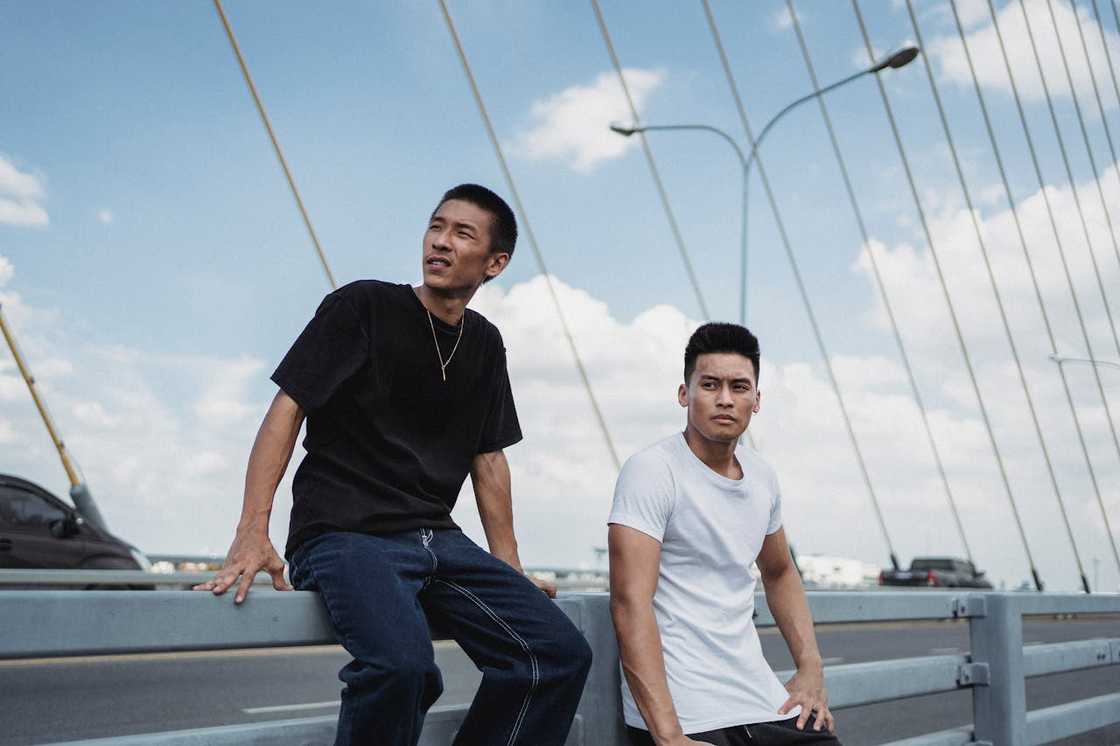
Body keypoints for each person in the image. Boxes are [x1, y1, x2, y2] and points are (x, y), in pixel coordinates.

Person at [194, 184, 592, 746]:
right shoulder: (364, 306)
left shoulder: (484, 342)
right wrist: (252, 529)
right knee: (402, 667)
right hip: (346, 534)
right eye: (436, 226)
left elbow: (489, 456)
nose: (440, 242)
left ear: (495, 263)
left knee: (557, 655)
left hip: (438, 540)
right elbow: (288, 409)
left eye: (462, 233)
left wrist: (509, 565)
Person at [608, 323, 839, 746]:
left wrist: (810, 667)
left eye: (739, 387)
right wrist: (668, 735)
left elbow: (780, 571)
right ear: (684, 394)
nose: (725, 399)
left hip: (760, 700)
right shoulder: (652, 471)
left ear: (757, 400)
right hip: (687, 713)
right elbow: (629, 603)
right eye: (710, 385)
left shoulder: (762, 476)